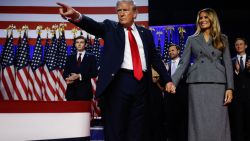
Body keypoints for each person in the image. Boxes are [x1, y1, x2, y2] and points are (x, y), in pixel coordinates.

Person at [57, 1, 175, 141]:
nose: (121, 13)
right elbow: (93, 25)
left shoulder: (146, 34)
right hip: (118, 84)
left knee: (137, 130)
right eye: (119, 10)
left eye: (125, 10)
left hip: (142, 85)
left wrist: (167, 79)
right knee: (116, 129)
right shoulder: (110, 28)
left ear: (135, 13)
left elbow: (155, 58)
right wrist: (76, 16)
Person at [171, 8, 234, 141]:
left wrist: (230, 88)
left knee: (218, 121)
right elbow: (183, 63)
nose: (203, 20)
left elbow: (228, 64)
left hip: (217, 84)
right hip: (197, 83)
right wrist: (172, 81)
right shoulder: (191, 39)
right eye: (200, 18)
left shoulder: (223, 38)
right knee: (198, 122)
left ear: (212, 19)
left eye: (206, 17)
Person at [164, 44, 188, 141]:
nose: (170, 53)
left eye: (173, 50)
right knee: (171, 119)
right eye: (169, 51)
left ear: (178, 51)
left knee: (183, 118)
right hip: (170, 97)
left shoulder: (185, 64)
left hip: (182, 94)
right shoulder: (166, 65)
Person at [63, 35, 98, 101]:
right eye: (77, 42)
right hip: (71, 92)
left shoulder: (91, 57)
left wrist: (79, 76)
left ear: (86, 45)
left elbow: (94, 73)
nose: (79, 44)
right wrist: (68, 78)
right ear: (75, 44)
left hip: (85, 92)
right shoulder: (70, 57)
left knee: (84, 111)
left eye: (81, 42)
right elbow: (65, 73)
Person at [229, 37, 250, 141]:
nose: (239, 46)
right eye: (237, 44)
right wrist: (236, 72)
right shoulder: (231, 61)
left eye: (241, 44)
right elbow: (229, 79)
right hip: (236, 98)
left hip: (249, 96)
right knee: (238, 124)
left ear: (245, 46)